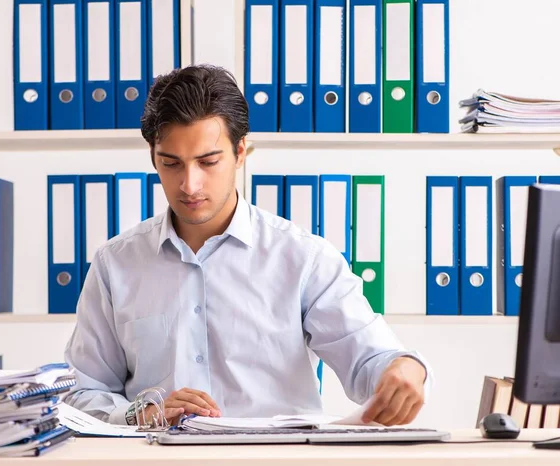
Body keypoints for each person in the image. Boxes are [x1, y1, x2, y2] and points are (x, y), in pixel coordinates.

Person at [64, 64, 432, 428]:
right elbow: (82, 393)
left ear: (241, 152)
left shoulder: (303, 258)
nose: (189, 185)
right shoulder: (116, 264)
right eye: (171, 163)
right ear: (152, 158)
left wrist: (404, 368)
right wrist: (139, 413)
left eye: (208, 161)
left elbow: (371, 359)